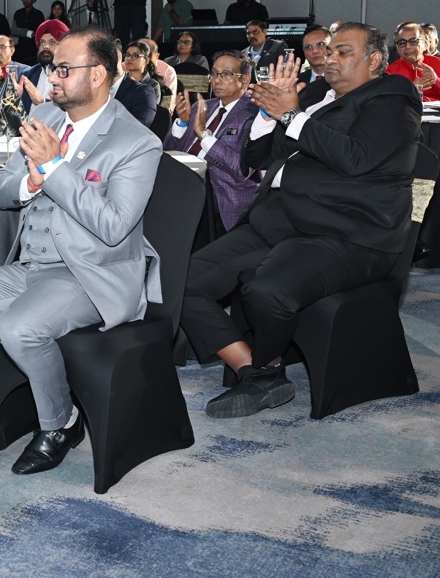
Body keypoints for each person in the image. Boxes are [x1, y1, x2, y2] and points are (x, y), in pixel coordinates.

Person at [0, 27, 162, 476]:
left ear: (98, 74)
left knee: (19, 329)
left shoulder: (136, 141)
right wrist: (30, 181)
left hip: (90, 275)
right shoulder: (45, 114)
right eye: (54, 68)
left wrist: (53, 165)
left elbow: (113, 227)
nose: (53, 77)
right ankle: (5, 398)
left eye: (64, 69)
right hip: (31, 266)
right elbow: (3, 189)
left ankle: (60, 422)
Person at [180, 23, 421, 418]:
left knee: (266, 290)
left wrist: (290, 114)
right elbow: (257, 158)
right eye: (329, 49)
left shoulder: (393, 96)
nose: (330, 57)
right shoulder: (312, 95)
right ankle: (257, 370)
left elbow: (355, 157)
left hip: (345, 231)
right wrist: (267, 114)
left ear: (374, 60)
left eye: (343, 51)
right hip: (277, 221)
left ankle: (262, 370)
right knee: (184, 282)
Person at [163, 50, 260, 240]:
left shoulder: (254, 114)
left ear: (245, 80)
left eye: (226, 74)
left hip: (218, 195)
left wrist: (204, 136)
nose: (217, 80)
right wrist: (182, 123)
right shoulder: (204, 106)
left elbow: (241, 169)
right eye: (214, 73)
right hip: (183, 183)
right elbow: (169, 151)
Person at [386, 21, 440, 101]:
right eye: (402, 42)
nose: (407, 46)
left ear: (425, 44)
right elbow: (387, 101)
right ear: (397, 48)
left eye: (413, 41)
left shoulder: (437, 63)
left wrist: (436, 81)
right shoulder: (389, 72)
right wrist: (410, 89)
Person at [110, 41, 158, 128]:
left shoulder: (149, 88)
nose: (130, 58)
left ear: (146, 60)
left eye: (135, 55)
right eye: (128, 55)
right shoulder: (112, 84)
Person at [11, 0, 44, 66]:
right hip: (20, 46)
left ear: (33, 0)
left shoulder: (38, 14)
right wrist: (27, 33)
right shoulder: (18, 13)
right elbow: (13, 31)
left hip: (33, 47)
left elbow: (41, 32)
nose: (26, 0)